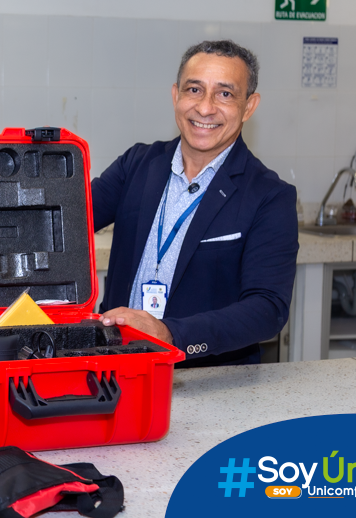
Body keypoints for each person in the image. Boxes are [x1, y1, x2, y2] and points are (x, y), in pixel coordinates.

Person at [92, 40, 298, 367]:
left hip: (208, 378)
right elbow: (67, 221)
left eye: (225, 94)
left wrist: (171, 334)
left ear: (249, 106)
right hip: (118, 369)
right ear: (176, 95)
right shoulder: (136, 165)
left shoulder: (269, 196)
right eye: (194, 90)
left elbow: (267, 309)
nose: (205, 108)